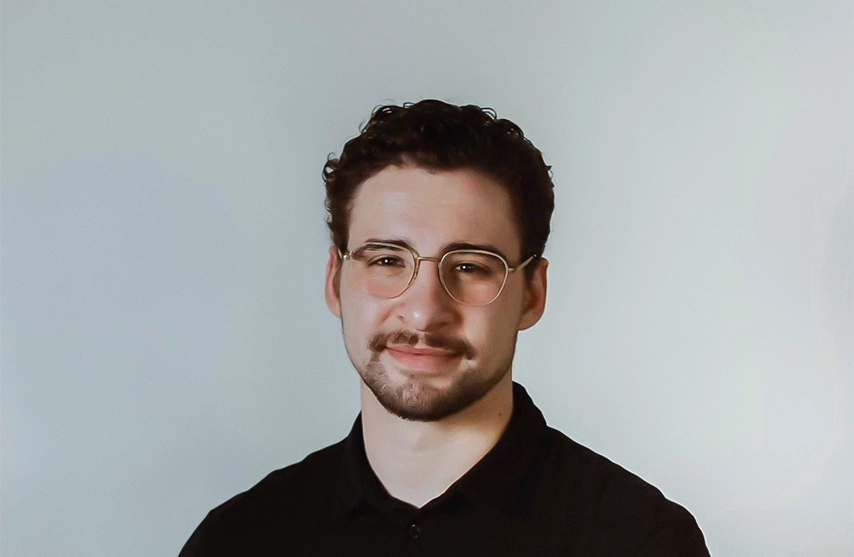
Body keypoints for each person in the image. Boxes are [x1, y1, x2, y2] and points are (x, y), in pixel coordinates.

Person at [179, 100, 710, 556]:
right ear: (336, 279)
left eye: (471, 266)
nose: (423, 311)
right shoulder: (240, 540)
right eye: (387, 260)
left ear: (533, 294)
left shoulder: (640, 541)